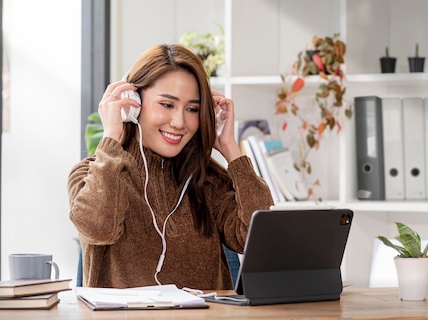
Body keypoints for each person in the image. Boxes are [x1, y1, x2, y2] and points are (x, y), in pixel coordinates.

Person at [68, 44, 274, 290]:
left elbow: (259, 243)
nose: (179, 122)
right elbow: (99, 229)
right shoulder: (93, 174)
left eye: (192, 109)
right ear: (133, 104)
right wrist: (112, 135)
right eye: (167, 104)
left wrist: (231, 149)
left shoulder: (207, 181)